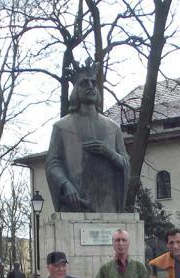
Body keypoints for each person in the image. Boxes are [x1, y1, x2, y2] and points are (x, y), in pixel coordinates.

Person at [46, 57, 130, 213]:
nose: (90, 86)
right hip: (77, 200)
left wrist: (109, 152)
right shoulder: (61, 126)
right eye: (84, 83)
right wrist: (65, 184)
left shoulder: (113, 127)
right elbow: (53, 163)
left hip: (107, 202)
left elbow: (125, 163)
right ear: (75, 89)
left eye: (93, 83)